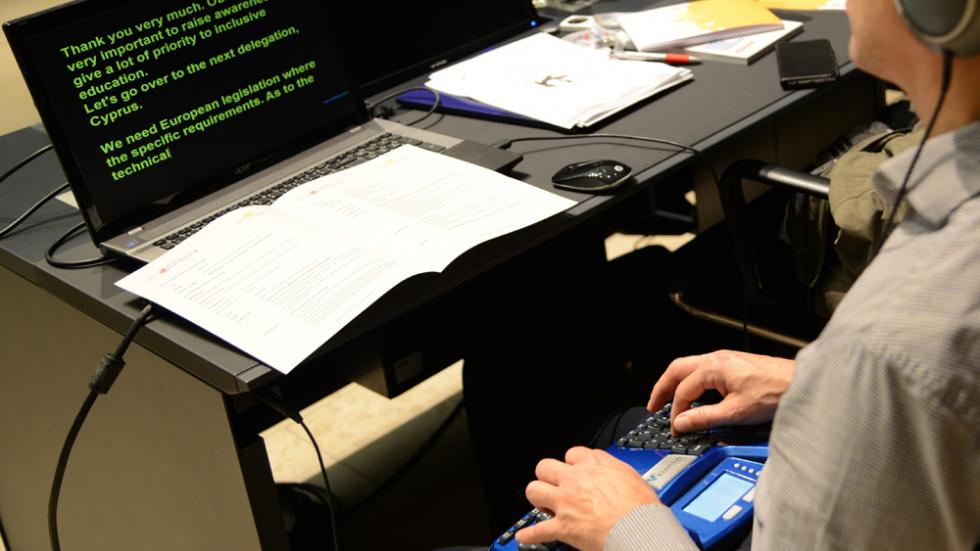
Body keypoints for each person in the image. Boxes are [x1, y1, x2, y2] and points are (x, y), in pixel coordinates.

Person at [513, 0, 980, 549]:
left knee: (526, 377)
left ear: (939, 12)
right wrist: (812, 383)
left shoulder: (889, 339)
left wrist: (626, 525)